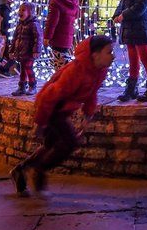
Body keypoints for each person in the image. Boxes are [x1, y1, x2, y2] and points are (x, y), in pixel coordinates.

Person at [10, 35, 114, 197]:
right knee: (70, 143)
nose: (113, 56)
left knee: (50, 145)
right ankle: (39, 172)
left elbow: (91, 93)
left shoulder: (99, 71)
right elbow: (49, 96)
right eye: (109, 52)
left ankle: (20, 170)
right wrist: (41, 123)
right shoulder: (75, 71)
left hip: (62, 110)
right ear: (95, 54)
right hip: (51, 108)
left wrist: (87, 115)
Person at [44, 0, 81, 72]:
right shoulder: (74, 0)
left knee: (59, 62)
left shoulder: (56, 0)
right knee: (62, 58)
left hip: (57, 36)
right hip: (68, 36)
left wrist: (47, 37)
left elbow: (52, 22)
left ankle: (69, 77)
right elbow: (75, 16)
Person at [9, 2, 41, 96]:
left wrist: (36, 50)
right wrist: (11, 50)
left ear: (30, 12)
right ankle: (22, 86)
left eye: (23, 10)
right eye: (19, 10)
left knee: (28, 68)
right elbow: (15, 38)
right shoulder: (19, 24)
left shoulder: (34, 24)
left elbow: (38, 38)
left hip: (29, 52)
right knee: (22, 69)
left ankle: (32, 86)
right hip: (21, 52)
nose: (20, 12)